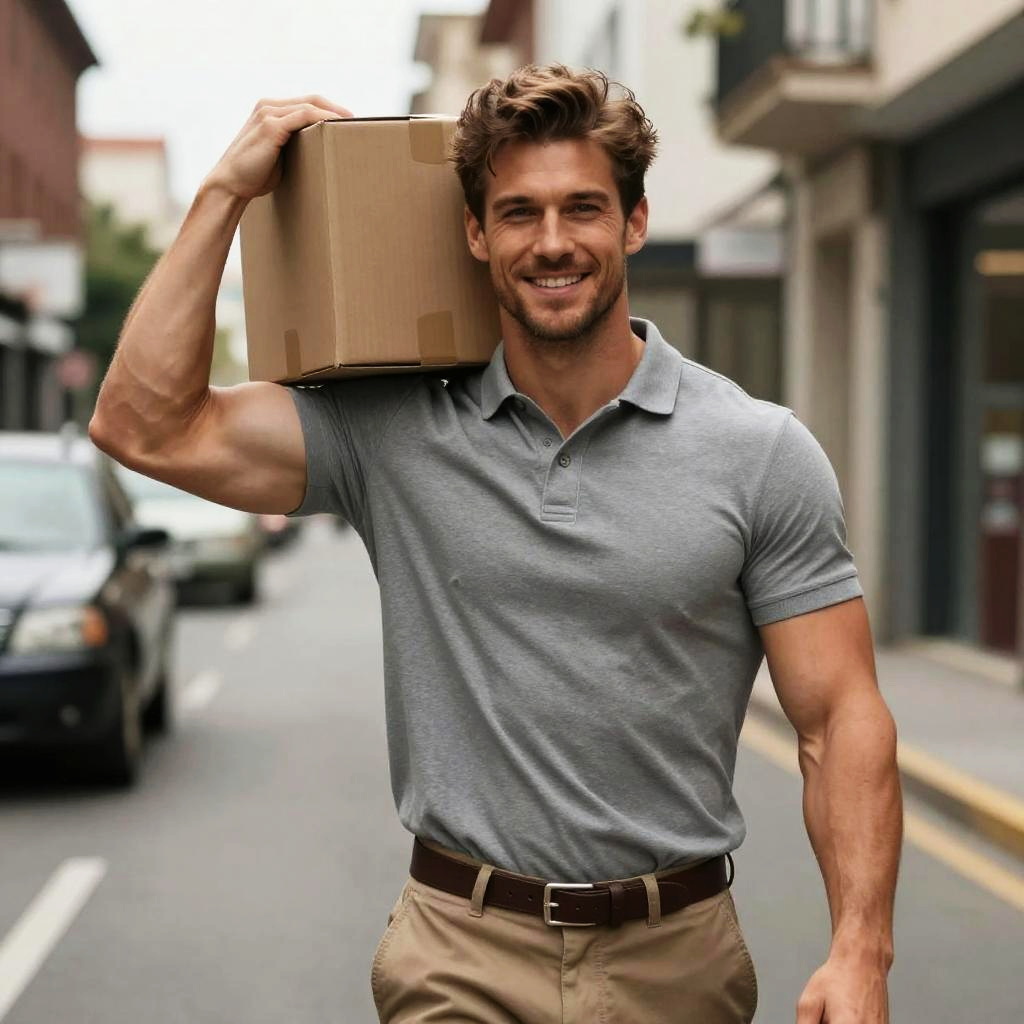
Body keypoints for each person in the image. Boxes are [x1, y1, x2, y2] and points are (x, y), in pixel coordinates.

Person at [90, 64, 902, 1024]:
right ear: (476, 234)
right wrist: (225, 192)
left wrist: (861, 950)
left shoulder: (760, 453)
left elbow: (838, 718)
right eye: (519, 213)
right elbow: (145, 425)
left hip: (676, 956)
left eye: (583, 208)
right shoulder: (392, 431)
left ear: (634, 222)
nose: (552, 242)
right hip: (461, 952)